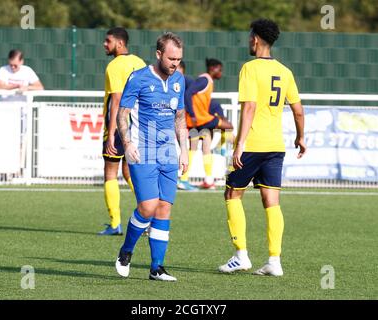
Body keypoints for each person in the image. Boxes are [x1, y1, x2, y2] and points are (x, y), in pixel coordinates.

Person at [218, 18, 306, 276]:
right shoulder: (285, 71)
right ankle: (274, 261)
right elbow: (298, 111)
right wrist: (301, 137)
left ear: (255, 39)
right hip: (275, 146)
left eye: (249, 36)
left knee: (232, 194)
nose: (248, 40)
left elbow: (250, 108)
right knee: (272, 202)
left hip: (253, 144)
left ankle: (241, 256)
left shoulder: (250, 68)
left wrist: (239, 145)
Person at [114, 32, 188, 281]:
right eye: (171, 58)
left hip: (168, 152)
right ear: (158, 54)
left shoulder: (179, 79)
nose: (175, 63)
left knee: (164, 208)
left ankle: (157, 267)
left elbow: (180, 118)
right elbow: (122, 114)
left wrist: (184, 151)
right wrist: (126, 143)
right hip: (142, 150)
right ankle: (126, 251)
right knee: (147, 207)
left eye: (178, 59)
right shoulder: (138, 78)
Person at [99, 27, 146, 236]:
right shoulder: (140, 62)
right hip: (138, 125)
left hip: (120, 125)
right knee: (130, 171)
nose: (104, 44)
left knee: (110, 172)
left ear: (120, 43)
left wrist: (111, 132)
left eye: (108, 41)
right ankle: (148, 215)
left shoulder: (114, 66)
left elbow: (116, 100)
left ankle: (115, 223)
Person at [179, 58, 233, 190]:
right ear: (213, 68)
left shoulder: (208, 81)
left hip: (200, 120)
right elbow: (188, 93)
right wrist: (192, 114)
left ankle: (207, 180)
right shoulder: (205, 80)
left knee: (203, 148)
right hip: (201, 119)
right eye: (219, 70)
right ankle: (221, 148)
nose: (221, 73)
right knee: (229, 126)